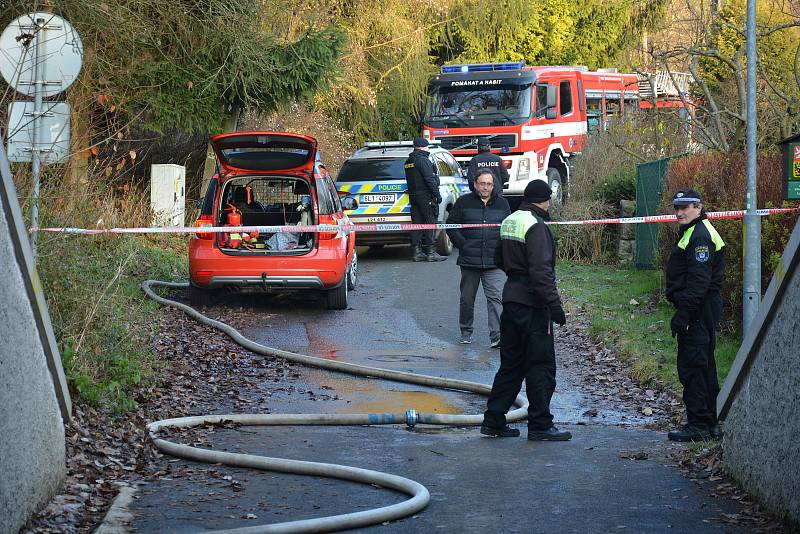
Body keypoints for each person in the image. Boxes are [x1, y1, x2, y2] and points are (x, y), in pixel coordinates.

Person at [480, 180, 571, 441]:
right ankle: (541, 425)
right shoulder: (537, 226)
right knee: (540, 366)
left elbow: (498, 258)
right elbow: (541, 272)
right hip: (533, 304)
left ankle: (493, 420)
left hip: (511, 300)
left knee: (511, 366)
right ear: (543, 200)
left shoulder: (510, 220)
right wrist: (554, 306)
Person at [665, 188, 726, 442]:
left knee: (694, 366)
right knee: (703, 364)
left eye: (685, 207)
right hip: (700, 309)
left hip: (698, 310)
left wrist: (684, 315)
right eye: (677, 207)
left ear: (698, 207)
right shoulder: (695, 231)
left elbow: (698, 283)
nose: (680, 212)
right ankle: (708, 421)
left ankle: (699, 425)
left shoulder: (700, 236)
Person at [447, 170, 511, 347]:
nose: (486, 187)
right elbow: (451, 226)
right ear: (475, 184)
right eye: (482, 183)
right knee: (467, 299)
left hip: (494, 261)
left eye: (489, 184)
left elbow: (508, 228)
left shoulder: (502, 204)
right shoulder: (463, 202)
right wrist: (463, 244)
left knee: (496, 298)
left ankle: (497, 336)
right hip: (470, 261)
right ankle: (465, 332)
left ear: (493, 185)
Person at [404, 137, 446, 262]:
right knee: (430, 222)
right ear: (423, 147)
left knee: (417, 223)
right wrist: (437, 195)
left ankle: (417, 253)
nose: (428, 149)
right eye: (427, 147)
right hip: (426, 196)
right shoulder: (423, 160)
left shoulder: (408, 161)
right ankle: (431, 252)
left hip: (413, 196)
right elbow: (430, 180)